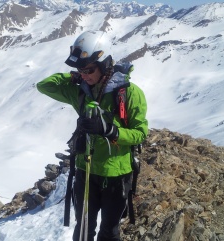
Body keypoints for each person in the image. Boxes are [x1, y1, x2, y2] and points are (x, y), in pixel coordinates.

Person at [36, 30, 148, 241]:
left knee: (109, 231)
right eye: (81, 70)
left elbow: (140, 133)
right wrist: (73, 75)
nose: (85, 75)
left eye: (88, 69)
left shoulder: (129, 93)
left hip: (116, 174)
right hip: (85, 172)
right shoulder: (81, 90)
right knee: (84, 228)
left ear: (104, 64)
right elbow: (44, 86)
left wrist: (110, 131)